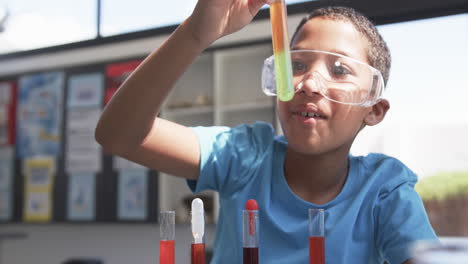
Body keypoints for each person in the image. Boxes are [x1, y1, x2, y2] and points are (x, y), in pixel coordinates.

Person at [95, 0, 438, 263]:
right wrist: (197, 32)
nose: (309, 83)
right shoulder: (245, 154)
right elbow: (119, 135)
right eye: (298, 65)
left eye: (339, 69)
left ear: (373, 109)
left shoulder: (384, 191)